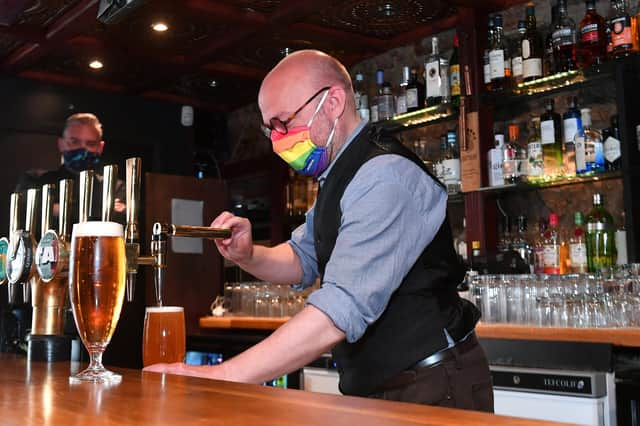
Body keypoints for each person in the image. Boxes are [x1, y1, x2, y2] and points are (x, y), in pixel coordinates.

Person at [145, 50, 493, 412]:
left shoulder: (384, 175)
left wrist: (219, 376)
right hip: (379, 384)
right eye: (272, 129)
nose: (278, 138)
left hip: (433, 384)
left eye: (284, 122)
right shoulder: (339, 175)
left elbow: (340, 307)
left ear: (333, 103)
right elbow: (302, 256)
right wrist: (249, 254)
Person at [16, 112, 125, 226]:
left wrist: (54, 208)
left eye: (90, 143)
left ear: (100, 147)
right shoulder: (36, 180)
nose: (83, 148)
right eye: (75, 142)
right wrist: (99, 210)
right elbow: (24, 212)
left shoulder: (115, 187)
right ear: (61, 143)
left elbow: (119, 221)